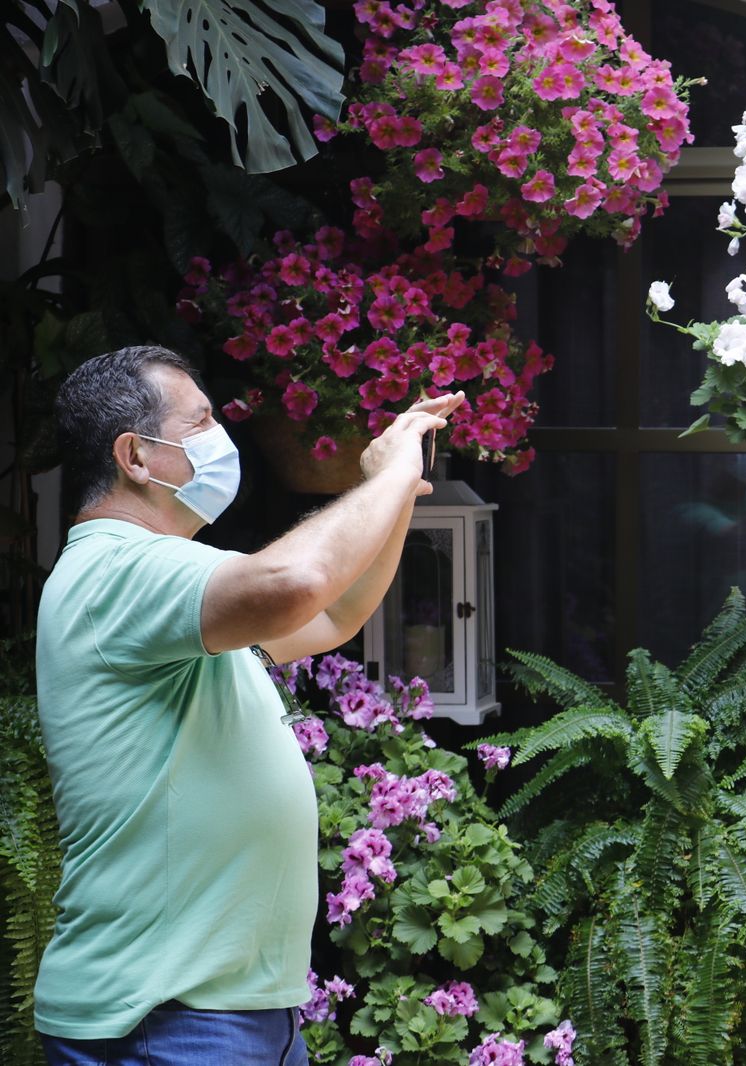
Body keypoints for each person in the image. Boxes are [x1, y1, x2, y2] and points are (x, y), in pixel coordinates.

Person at [31, 345, 462, 1065]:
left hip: (227, 1014)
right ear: (136, 456)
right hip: (161, 1020)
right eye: (198, 423)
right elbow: (297, 581)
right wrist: (383, 477)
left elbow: (336, 613)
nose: (217, 439)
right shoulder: (118, 569)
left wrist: (394, 490)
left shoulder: (167, 602)